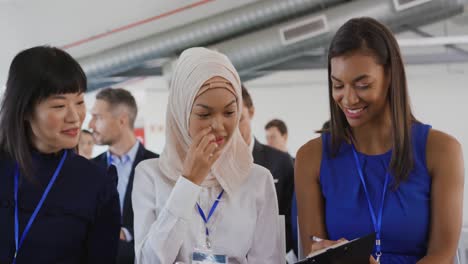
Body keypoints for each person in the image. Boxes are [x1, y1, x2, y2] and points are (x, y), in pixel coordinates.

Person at [295, 17, 464, 263]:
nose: (349, 99)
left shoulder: (441, 151)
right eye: (338, 85)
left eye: (362, 85)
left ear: (390, 77)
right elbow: (315, 250)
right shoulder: (311, 158)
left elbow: (442, 255)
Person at [132, 47, 281, 264]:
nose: (219, 126)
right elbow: (148, 260)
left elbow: (269, 260)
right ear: (181, 112)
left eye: (230, 112)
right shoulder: (150, 175)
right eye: (204, 114)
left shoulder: (257, 179)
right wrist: (188, 182)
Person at [0, 46, 120, 263]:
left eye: (80, 102)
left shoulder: (96, 183)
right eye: (59, 105)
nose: (75, 117)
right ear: (24, 109)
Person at [89, 87, 158, 264]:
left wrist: (124, 233)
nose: (90, 125)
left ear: (122, 120)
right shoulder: (90, 168)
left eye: (98, 117)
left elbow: (165, 219)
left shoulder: (156, 165)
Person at [239, 85, 295, 255]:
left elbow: (290, 221)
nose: (232, 128)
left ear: (251, 112)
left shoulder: (281, 161)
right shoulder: (210, 166)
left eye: (239, 118)